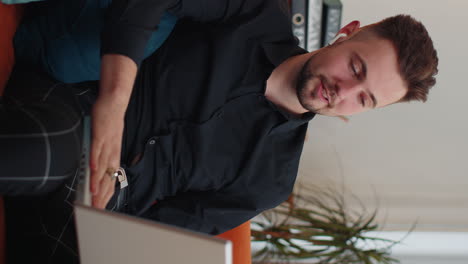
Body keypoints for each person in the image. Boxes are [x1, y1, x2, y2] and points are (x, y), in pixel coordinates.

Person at [0, 0, 438, 262]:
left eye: (364, 99)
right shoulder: (255, 13)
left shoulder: (270, 181)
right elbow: (148, 3)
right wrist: (114, 107)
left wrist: (110, 219)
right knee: (45, 152)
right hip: (71, 108)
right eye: (355, 68)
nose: (343, 90)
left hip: (87, 210)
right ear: (345, 34)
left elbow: (161, 237)